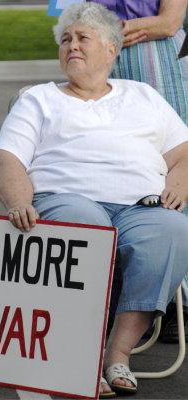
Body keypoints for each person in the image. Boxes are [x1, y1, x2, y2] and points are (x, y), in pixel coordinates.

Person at [0, 3, 188, 398]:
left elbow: (183, 153)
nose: (72, 45)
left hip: (140, 205)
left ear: (112, 49)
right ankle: (78, 356)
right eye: (66, 39)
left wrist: (181, 184)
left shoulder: (143, 95)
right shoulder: (39, 99)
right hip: (67, 199)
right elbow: (8, 159)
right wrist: (17, 202)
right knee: (87, 230)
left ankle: (119, 354)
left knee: (172, 229)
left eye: (83, 38)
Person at [87, 0, 188, 343]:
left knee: (170, 168)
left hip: (155, 59)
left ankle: (178, 302)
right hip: (104, 58)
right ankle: (125, 296)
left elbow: (169, 23)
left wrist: (103, 33)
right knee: (114, 168)